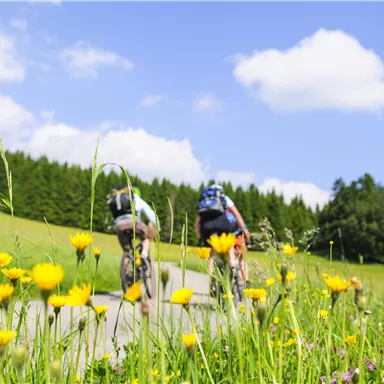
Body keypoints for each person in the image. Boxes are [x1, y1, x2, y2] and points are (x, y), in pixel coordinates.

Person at [195, 184, 250, 282]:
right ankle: (233, 268)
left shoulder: (205, 200)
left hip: (207, 227)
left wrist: (199, 234)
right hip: (222, 224)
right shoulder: (223, 198)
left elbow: (198, 221)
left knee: (212, 255)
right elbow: (237, 215)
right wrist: (245, 230)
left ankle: (212, 280)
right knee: (229, 246)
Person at [107, 184, 160, 272]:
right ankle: (144, 254)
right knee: (146, 237)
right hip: (134, 222)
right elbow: (151, 215)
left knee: (127, 252)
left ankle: (126, 277)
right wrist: (158, 227)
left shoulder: (118, 199)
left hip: (119, 225)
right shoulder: (137, 199)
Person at [226, 209, 251, 288]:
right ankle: (246, 280)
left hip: (229, 240)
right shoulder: (237, 217)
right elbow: (246, 233)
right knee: (243, 261)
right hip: (239, 240)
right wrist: (248, 242)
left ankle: (233, 269)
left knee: (230, 257)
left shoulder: (223, 218)